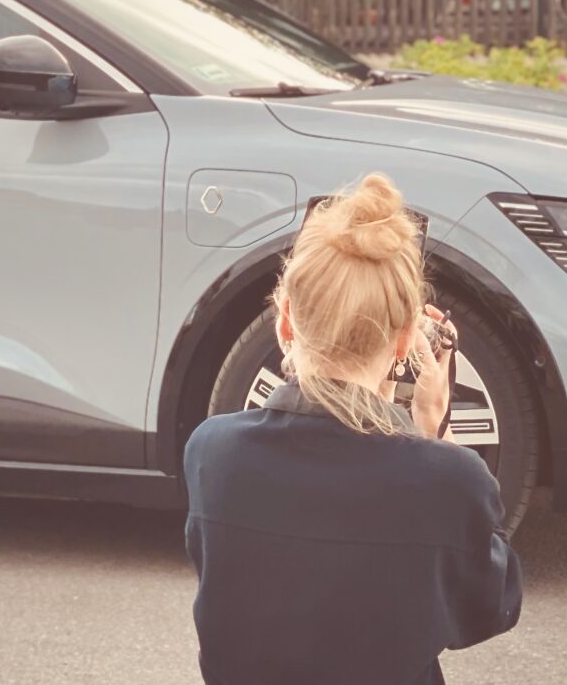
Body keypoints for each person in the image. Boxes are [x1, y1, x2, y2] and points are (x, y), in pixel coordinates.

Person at [183, 173, 524, 685]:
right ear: (406, 339)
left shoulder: (212, 451)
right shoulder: (448, 479)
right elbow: (492, 608)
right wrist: (434, 430)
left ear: (285, 322)